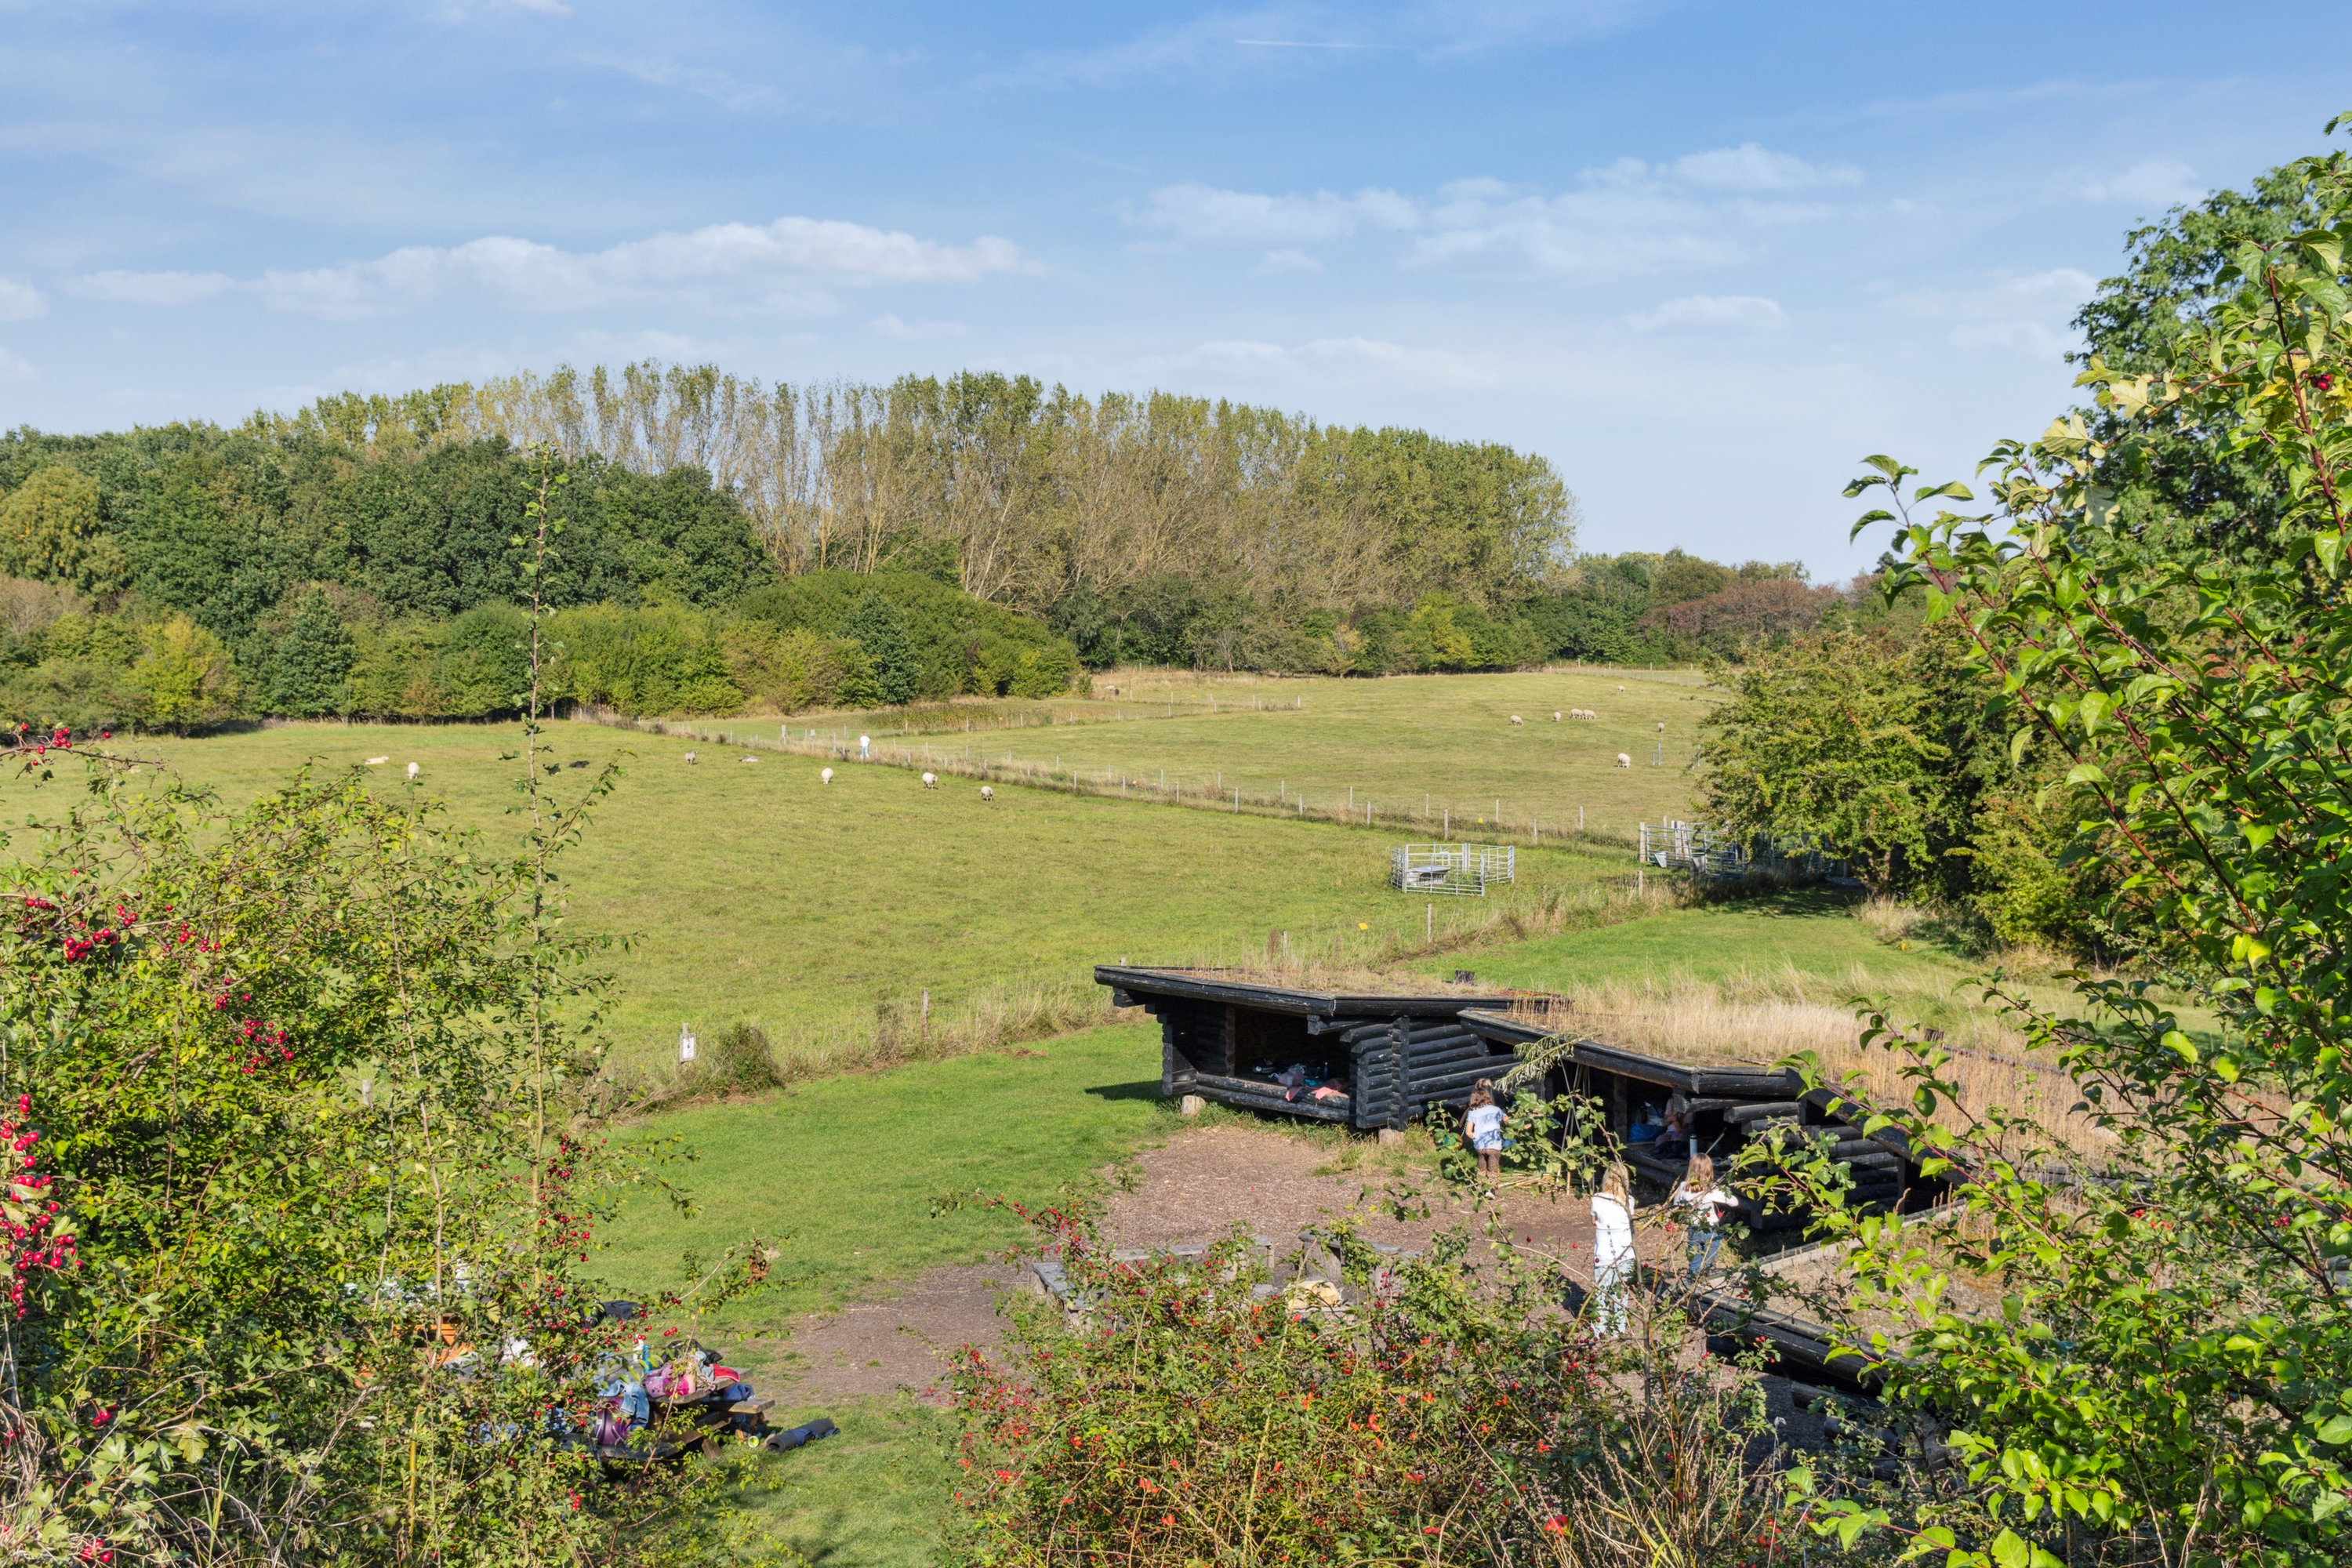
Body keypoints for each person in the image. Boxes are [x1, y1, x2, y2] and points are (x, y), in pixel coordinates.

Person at [1670, 1152, 1738, 1277]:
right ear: (1709, 1170)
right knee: (1708, 1261)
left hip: (1693, 1228)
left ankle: (1691, 1287)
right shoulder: (1712, 1189)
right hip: (1710, 1228)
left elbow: (1677, 1204)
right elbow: (1734, 1202)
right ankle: (1704, 1283)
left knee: (1694, 1263)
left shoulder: (1683, 1186)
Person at [1590, 1163, 1635, 1336]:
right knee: (1621, 1293)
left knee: (1601, 1292)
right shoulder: (1629, 1201)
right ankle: (1618, 1328)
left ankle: (1599, 1328)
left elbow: (1594, 1220)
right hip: (1625, 1253)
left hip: (1604, 1254)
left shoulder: (1597, 1199)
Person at [1463, 1082, 1505, 1185]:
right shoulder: (1496, 1110)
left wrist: (1476, 1138)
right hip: (1494, 1145)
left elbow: (1468, 1132)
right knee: (1493, 1168)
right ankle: (1490, 1189)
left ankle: (1479, 1186)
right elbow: (1508, 1121)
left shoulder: (1472, 1113)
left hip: (1480, 1146)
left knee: (1481, 1167)